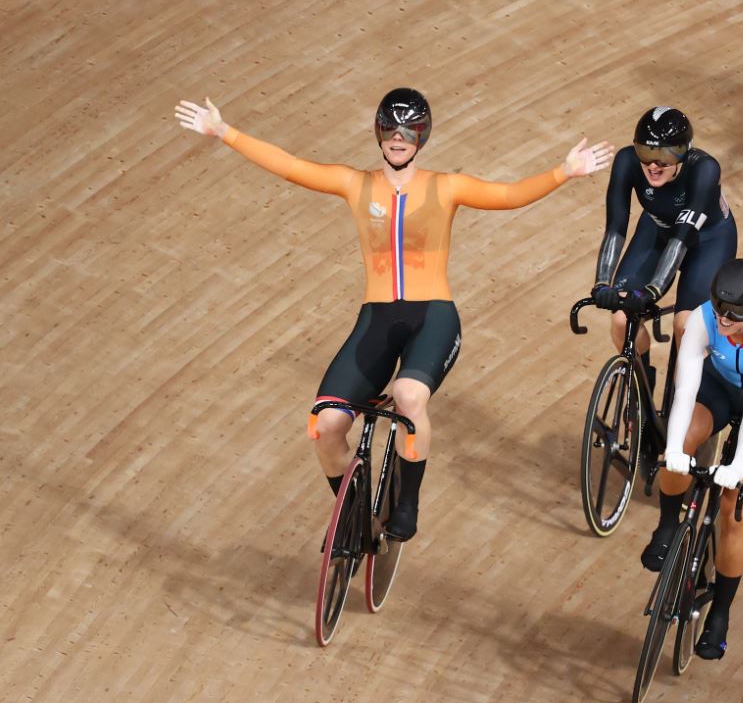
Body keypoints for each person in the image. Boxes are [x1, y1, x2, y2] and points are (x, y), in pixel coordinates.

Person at [175, 89, 612, 541]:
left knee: (408, 396)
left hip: (433, 319)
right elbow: (289, 166)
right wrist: (224, 131)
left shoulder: (446, 186)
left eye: (409, 131)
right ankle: (356, 518)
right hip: (377, 322)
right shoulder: (355, 183)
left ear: (422, 136)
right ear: (378, 133)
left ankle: (408, 502)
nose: (398, 139)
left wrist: (565, 171)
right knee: (325, 428)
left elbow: (507, 195)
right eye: (390, 129)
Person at [645, 258, 743, 661]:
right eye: (719, 312)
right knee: (681, 443)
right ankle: (666, 526)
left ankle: (720, 615)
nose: (723, 323)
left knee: (735, 510)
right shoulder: (703, 318)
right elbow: (686, 386)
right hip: (717, 388)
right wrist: (674, 448)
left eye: (735, 318)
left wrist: (735, 468)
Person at [590, 107, 736, 399]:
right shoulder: (626, 161)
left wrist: (653, 290)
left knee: (686, 326)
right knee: (621, 318)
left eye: (665, 158)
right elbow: (616, 227)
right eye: (645, 152)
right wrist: (602, 283)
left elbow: (682, 238)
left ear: (683, 153)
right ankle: (640, 389)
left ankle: (691, 401)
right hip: (658, 230)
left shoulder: (705, 169)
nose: (653, 166)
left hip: (708, 240)